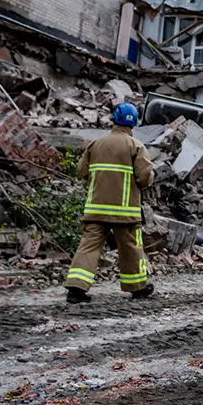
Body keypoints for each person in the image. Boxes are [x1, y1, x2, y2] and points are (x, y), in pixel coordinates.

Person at [65, 103, 154, 304]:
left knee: (88, 247)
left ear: (113, 119)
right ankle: (138, 289)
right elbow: (145, 176)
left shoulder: (95, 144)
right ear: (134, 122)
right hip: (125, 211)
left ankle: (76, 290)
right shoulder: (136, 146)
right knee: (131, 247)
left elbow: (81, 171)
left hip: (95, 209)